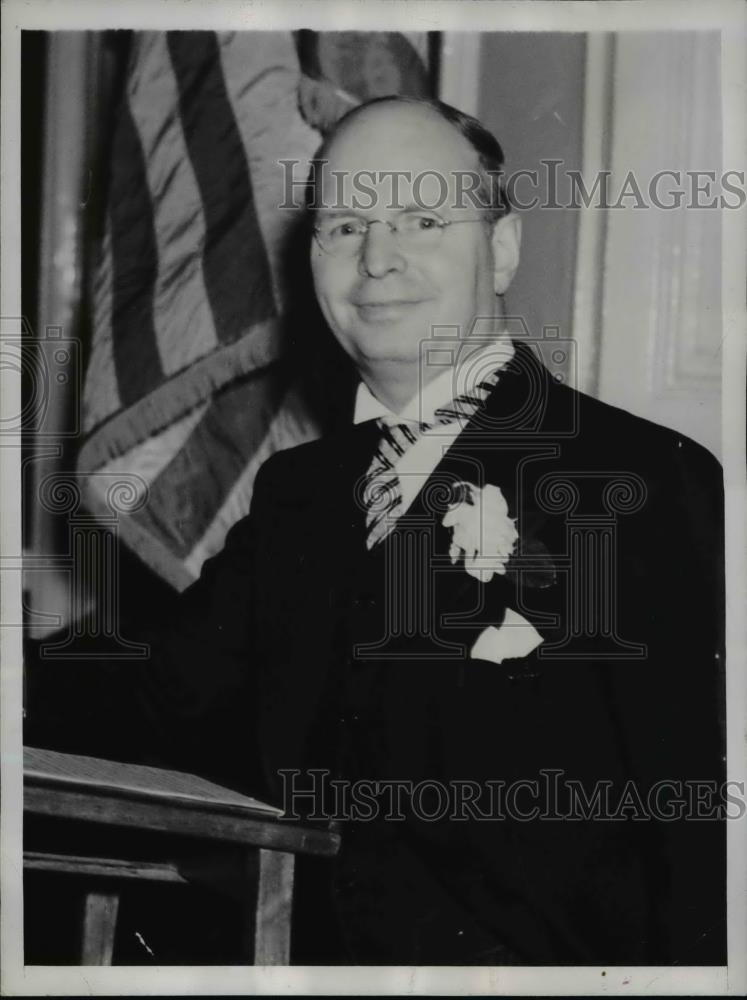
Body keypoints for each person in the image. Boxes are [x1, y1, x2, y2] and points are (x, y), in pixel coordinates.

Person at [29, 97, 726, 965]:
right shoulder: (301, 494)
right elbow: (158, 692)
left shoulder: (646, 478)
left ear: (500, 249)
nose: (377, 258)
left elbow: (702, 847)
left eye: (422, 218)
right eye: (345, 223)